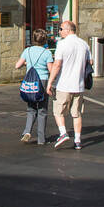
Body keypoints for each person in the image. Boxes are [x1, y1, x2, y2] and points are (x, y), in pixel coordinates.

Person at [47, 19, 91, 150]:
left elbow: (57, 64)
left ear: (67, 30)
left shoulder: (62, 44)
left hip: (64, 84)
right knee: (76, 113)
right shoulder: (84, 44)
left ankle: (63, 133)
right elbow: (91, 62)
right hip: (79, 85)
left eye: (60, 29)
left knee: (58, 111)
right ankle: (77, 140)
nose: (59, 32)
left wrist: (50, 82)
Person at [14, 31, 54, 143]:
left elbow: (17, 65)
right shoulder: (47, 53)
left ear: (33, 39)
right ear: (45, 40)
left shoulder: (27, 51)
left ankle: (27, 131)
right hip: (43, 81)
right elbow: (51, 70)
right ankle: (41, 139)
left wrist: (27, 64)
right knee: (42, 109)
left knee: (31, 108)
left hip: (30, 81)